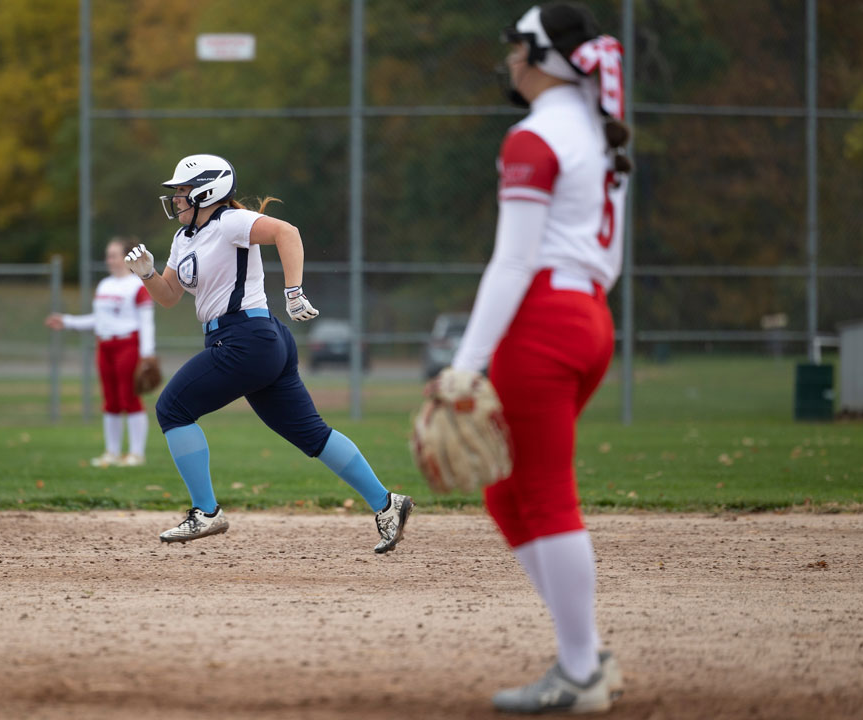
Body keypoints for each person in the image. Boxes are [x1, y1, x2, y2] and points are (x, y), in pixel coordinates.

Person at [452, 3, 632, 714]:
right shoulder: (596, 128)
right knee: (507, 489)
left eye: (515, 49)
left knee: (546, 492)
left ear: (539, 57)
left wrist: (465, 362)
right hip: (588, 316)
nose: (509, 61)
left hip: (543, 325)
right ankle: (584, 653)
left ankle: (582, 670)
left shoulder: (536, 135)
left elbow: (513, 261)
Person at [123, 154, 413, 553]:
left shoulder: (230, 221)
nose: (176, 198)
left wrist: (294, 291)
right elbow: (170, 297)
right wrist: (147, 275)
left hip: (246, 339)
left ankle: (206, 512)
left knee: (172, 409)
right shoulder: (183, 238)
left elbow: (287, 233)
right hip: (257, 341)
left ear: (209, 190)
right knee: (313, 435)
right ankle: (387, 503)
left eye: (183, 190)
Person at [45, 237, 155, 468]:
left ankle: (136, 453)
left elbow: (147, 322)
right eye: (108, 255)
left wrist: (147, 354)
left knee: (130, 398)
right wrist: (68, 321)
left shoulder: (137, 285)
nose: (109, 260)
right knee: (111, 400)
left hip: (128, 344)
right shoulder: (105, 285)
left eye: (114, 255)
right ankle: (112, 452)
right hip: (105, 345)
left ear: (127, 258)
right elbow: (99, 320)